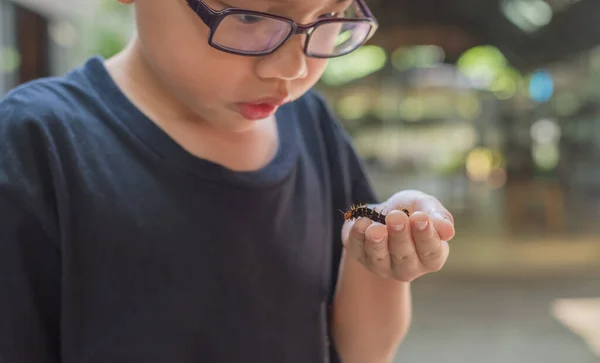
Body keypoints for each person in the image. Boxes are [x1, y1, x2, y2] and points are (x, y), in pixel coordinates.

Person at [0, 0, 456, 362]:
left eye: (327, 17)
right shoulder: (35, 142)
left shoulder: (312, 124)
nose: (292, 69)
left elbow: (361, 354)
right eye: (250, 17)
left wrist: (381, 267)